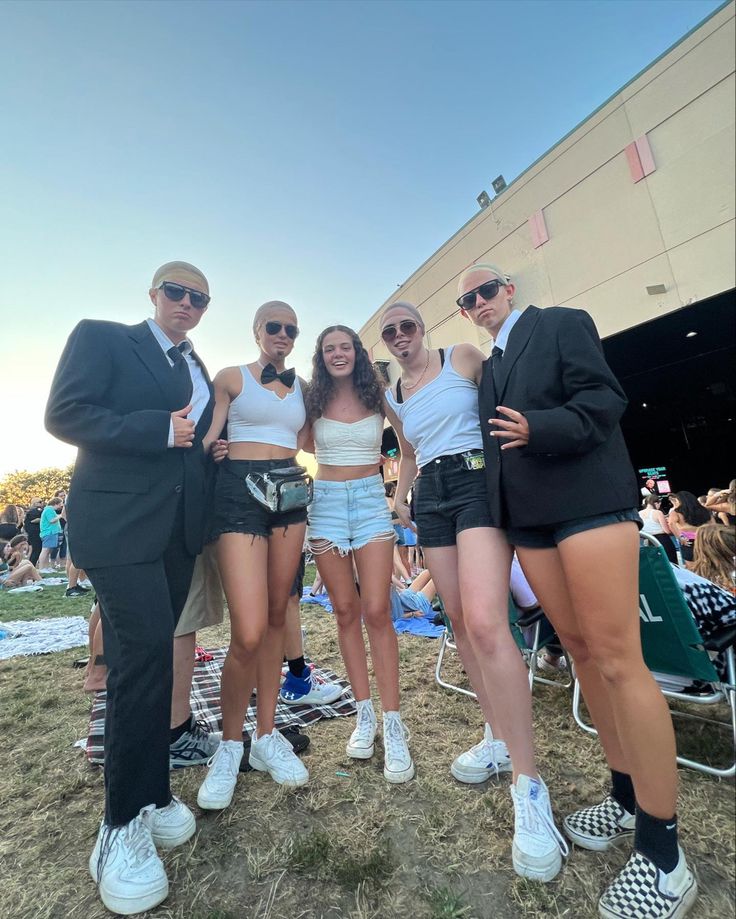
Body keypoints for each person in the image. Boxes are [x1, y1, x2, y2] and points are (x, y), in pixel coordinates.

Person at [461, 262, 696, 918]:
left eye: (486, 289)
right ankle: (626, 798)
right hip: (531, 523)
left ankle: (665, 852)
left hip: (589, 505)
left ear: (508, 289)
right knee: (584, 655)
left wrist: (541, 429)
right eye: (466, 298)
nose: (477, 302)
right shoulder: (488, 367)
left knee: (620, 659)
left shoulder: (561, 324)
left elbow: (602, 401)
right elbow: (491, 449)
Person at [45, 260, 216, 915]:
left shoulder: (196, 367)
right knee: (141, 659)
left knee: (151, 659)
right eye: (177, 291)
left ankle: (151, 792)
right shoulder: (105, 338)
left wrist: (205, 452)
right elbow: (65, 413)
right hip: (116, 527)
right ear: (155, 294)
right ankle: (118, 828)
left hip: (174, 534)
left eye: (199, 298)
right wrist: (157, 430)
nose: (188, 303)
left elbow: (188, 440)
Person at [382, 302, 566, 879]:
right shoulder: (396, 393)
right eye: (390, 332)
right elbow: (408, 450)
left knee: (487, 622)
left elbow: (507, 395)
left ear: (423, 329)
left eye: (406, 325)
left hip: (475, 478)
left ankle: (529, 786)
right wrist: (401, 496)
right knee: (459, 621)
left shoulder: (459, 357)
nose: (399, 336)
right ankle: (496, 736)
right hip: (430, 492)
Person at [197, 300, 310, 812]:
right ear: (257, 331)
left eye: (290, 329)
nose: (282, 335)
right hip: (238, 493)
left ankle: (265, 737)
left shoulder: (305, 389)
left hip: (290, 495)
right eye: (274, 326)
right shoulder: (231, 377)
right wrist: (213, 447)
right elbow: (206, 438)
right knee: (246, 630)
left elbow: (313, 439)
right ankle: (229, 744)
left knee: (273, 617)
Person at [303, 325, 414, 783]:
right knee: (344, 612)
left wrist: (400, 500)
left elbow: (408, 450)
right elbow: (287, 446)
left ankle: (394, 722)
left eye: (345, 347)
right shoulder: (312, 400)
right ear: (321, 356)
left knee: (377, 611)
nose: (338, 354)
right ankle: (363, 714)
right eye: (329, 349)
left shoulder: (379, 393)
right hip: (325, 504)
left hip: (371, 502)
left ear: (358, 352)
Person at [668, 491, 711, 564]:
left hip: (688, 541)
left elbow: (671, 524)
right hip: (704, 539)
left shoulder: (676, 512)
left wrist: (680, 537)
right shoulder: (704, 510)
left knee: (691, 567)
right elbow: (712, 524)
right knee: (707, 566)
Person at [639, 495, 678, 564]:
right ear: (656, 503)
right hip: (662, 540)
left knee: (656, 564)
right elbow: (667, 531)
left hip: (647, 541)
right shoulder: (658, 512)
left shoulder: (639, 513)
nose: (659, 506)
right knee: (671, 563)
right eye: (659, 504)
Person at [37, 496, 64, 571]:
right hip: (49, 532)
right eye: (60, 505)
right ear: (56, 503)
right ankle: (41, 568)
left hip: (51, 532)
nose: (60, 506)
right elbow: (51, 520)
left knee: (48, 551)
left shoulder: (50, 510)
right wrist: (60, 516)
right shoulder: (49, 510)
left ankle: (46, 567)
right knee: (45, 550)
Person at [23, 498, 44, 564]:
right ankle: (32, 564)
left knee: (33, 550)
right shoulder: (35, 511)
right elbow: (35, 520)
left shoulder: (30, 512)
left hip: (32, 533)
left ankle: (31, 564)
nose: (42, 503)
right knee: (37, 549)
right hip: (35, 533)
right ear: (34, 503)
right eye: (40, 502)